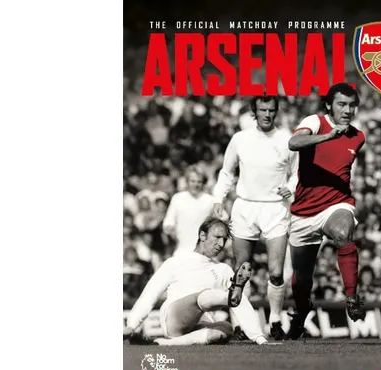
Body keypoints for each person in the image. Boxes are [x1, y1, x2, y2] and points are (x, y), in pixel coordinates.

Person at [284, 83, 367, 340]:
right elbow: (294, 142)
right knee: (302, 277)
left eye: (352, 105)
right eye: (342, 104)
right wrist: (328, 136)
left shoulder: (358, 137)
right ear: (329, 105)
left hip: (337, 203)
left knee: (342, 233)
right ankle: (301, 311)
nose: (348, 110)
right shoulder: (315, 122)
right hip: (303, 212)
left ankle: (351, 297)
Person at [211, 96, 296, 340]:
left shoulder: (287, 139)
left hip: (275, 209)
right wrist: (218, 199)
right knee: (241, 270)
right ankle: (239, 325)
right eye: (262, 110)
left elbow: (297, 173)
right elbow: (227, 172)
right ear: (254, 112)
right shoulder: (241, 139)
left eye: (271, 110)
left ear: (276, 112)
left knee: (276, 272)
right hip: (246, 207)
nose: (267, 114)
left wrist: (290, 187)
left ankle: (275, 320)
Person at [123, 217, 268, 345]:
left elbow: (241, 300)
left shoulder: (223, 269)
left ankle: (162, 343)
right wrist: (132, 325)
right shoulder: (175, 263)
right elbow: (150, 294)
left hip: (202, 323)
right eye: (217, 237)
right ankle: (227, 297)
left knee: (225, 329)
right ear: (202, 235)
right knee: (205, 295)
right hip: (173, 319)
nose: (221, 243)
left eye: (224, 239)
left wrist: (259, 337)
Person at [162, 167, 216, 256]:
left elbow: (223, 220)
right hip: (181, 250)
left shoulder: (211, 200)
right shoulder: (177, 198)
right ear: (187, 182)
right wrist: (170, 229)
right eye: (192, 181)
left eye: (199, 182)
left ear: (203, 183)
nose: (196, 185)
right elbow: (168, 221)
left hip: (204, 251)